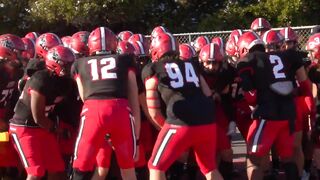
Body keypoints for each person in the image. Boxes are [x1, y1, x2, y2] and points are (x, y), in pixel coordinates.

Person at [142, 31, 223, 180]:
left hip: (179, 123)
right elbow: (207, 95)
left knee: (155, 167)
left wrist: (165, 127)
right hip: (207, 122)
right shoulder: (191, 65)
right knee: (209, 168)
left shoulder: (152, 69)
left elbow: (153, 110)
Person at [237, 31, 308, 180]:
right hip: (289, 113)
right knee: (288, 158)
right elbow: (303, 83)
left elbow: (250, 95)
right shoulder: (290, 55)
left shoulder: (249, 59)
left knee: (253, 159)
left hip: (267, 115)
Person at [71, 26, 140, 180]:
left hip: (93, 110)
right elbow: (133, 96)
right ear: (114, 44)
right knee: (128, 168)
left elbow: (84, 96)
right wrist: (137, 135)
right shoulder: (125, 60)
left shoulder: (79, 63)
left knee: (80, 165)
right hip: (120, 109)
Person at [9, 45, 75, 180]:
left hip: (42, 128)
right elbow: (38, 116)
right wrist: (58, 130)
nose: (70, 68)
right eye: (67, 65)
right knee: (35, 172)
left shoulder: (64, 82)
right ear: (55, 63)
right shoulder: (40, 78)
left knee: (57, 169)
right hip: (24, 128)